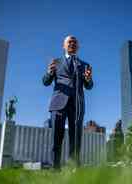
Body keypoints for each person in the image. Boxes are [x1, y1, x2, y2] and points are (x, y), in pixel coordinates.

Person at [42, 35, 93, 169]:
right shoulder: (56, 62)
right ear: (64, 46)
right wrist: (49, 72)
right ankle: (55, 169)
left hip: (77, 104)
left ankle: (73, 168)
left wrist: (88, 79)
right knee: (56, 138)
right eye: (69, 42)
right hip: (58, 103)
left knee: (75, 138)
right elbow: (45, 82)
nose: (72, 44)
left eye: (75, 42)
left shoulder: (84, 65)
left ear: (78, 47)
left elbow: (89, 86)